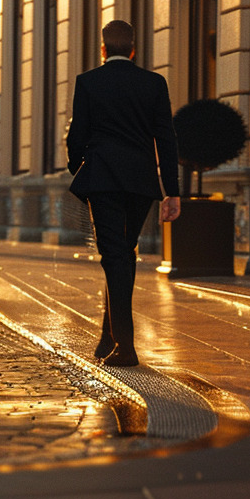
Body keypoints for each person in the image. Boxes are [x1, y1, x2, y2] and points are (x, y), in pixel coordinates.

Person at [65, 19, 181, 367]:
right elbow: (166, 138)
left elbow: (76, 136)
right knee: (122, 255)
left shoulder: (88, 82)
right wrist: (171, 192)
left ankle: (125, 346)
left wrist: (80, 167)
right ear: (134, 49)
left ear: (103, 49)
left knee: (115, 257)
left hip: (102, 180)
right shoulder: (154, 83)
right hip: (141, 183)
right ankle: (107, 338)